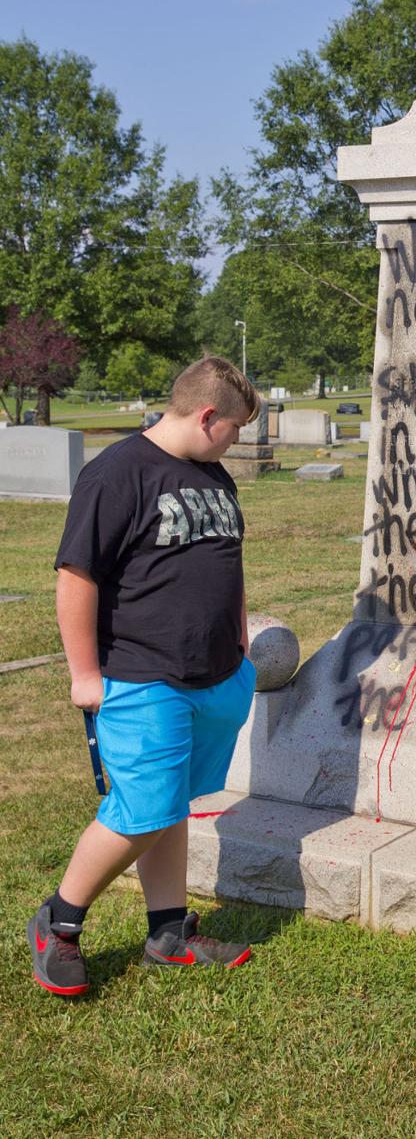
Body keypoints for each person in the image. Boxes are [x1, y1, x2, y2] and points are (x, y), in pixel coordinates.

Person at [27, 356, 261, 996]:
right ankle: (59, 922)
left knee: (171, 804)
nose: (237, 440)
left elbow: (226, 558)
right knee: (140, 811)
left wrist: (239, 639)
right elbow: (76, 577)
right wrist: (84, 674)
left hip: (213, 674)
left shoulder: (214, 475)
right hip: (141, 672)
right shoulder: (116, 475)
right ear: (208, 416)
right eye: (235, 427)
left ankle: (168, 932)